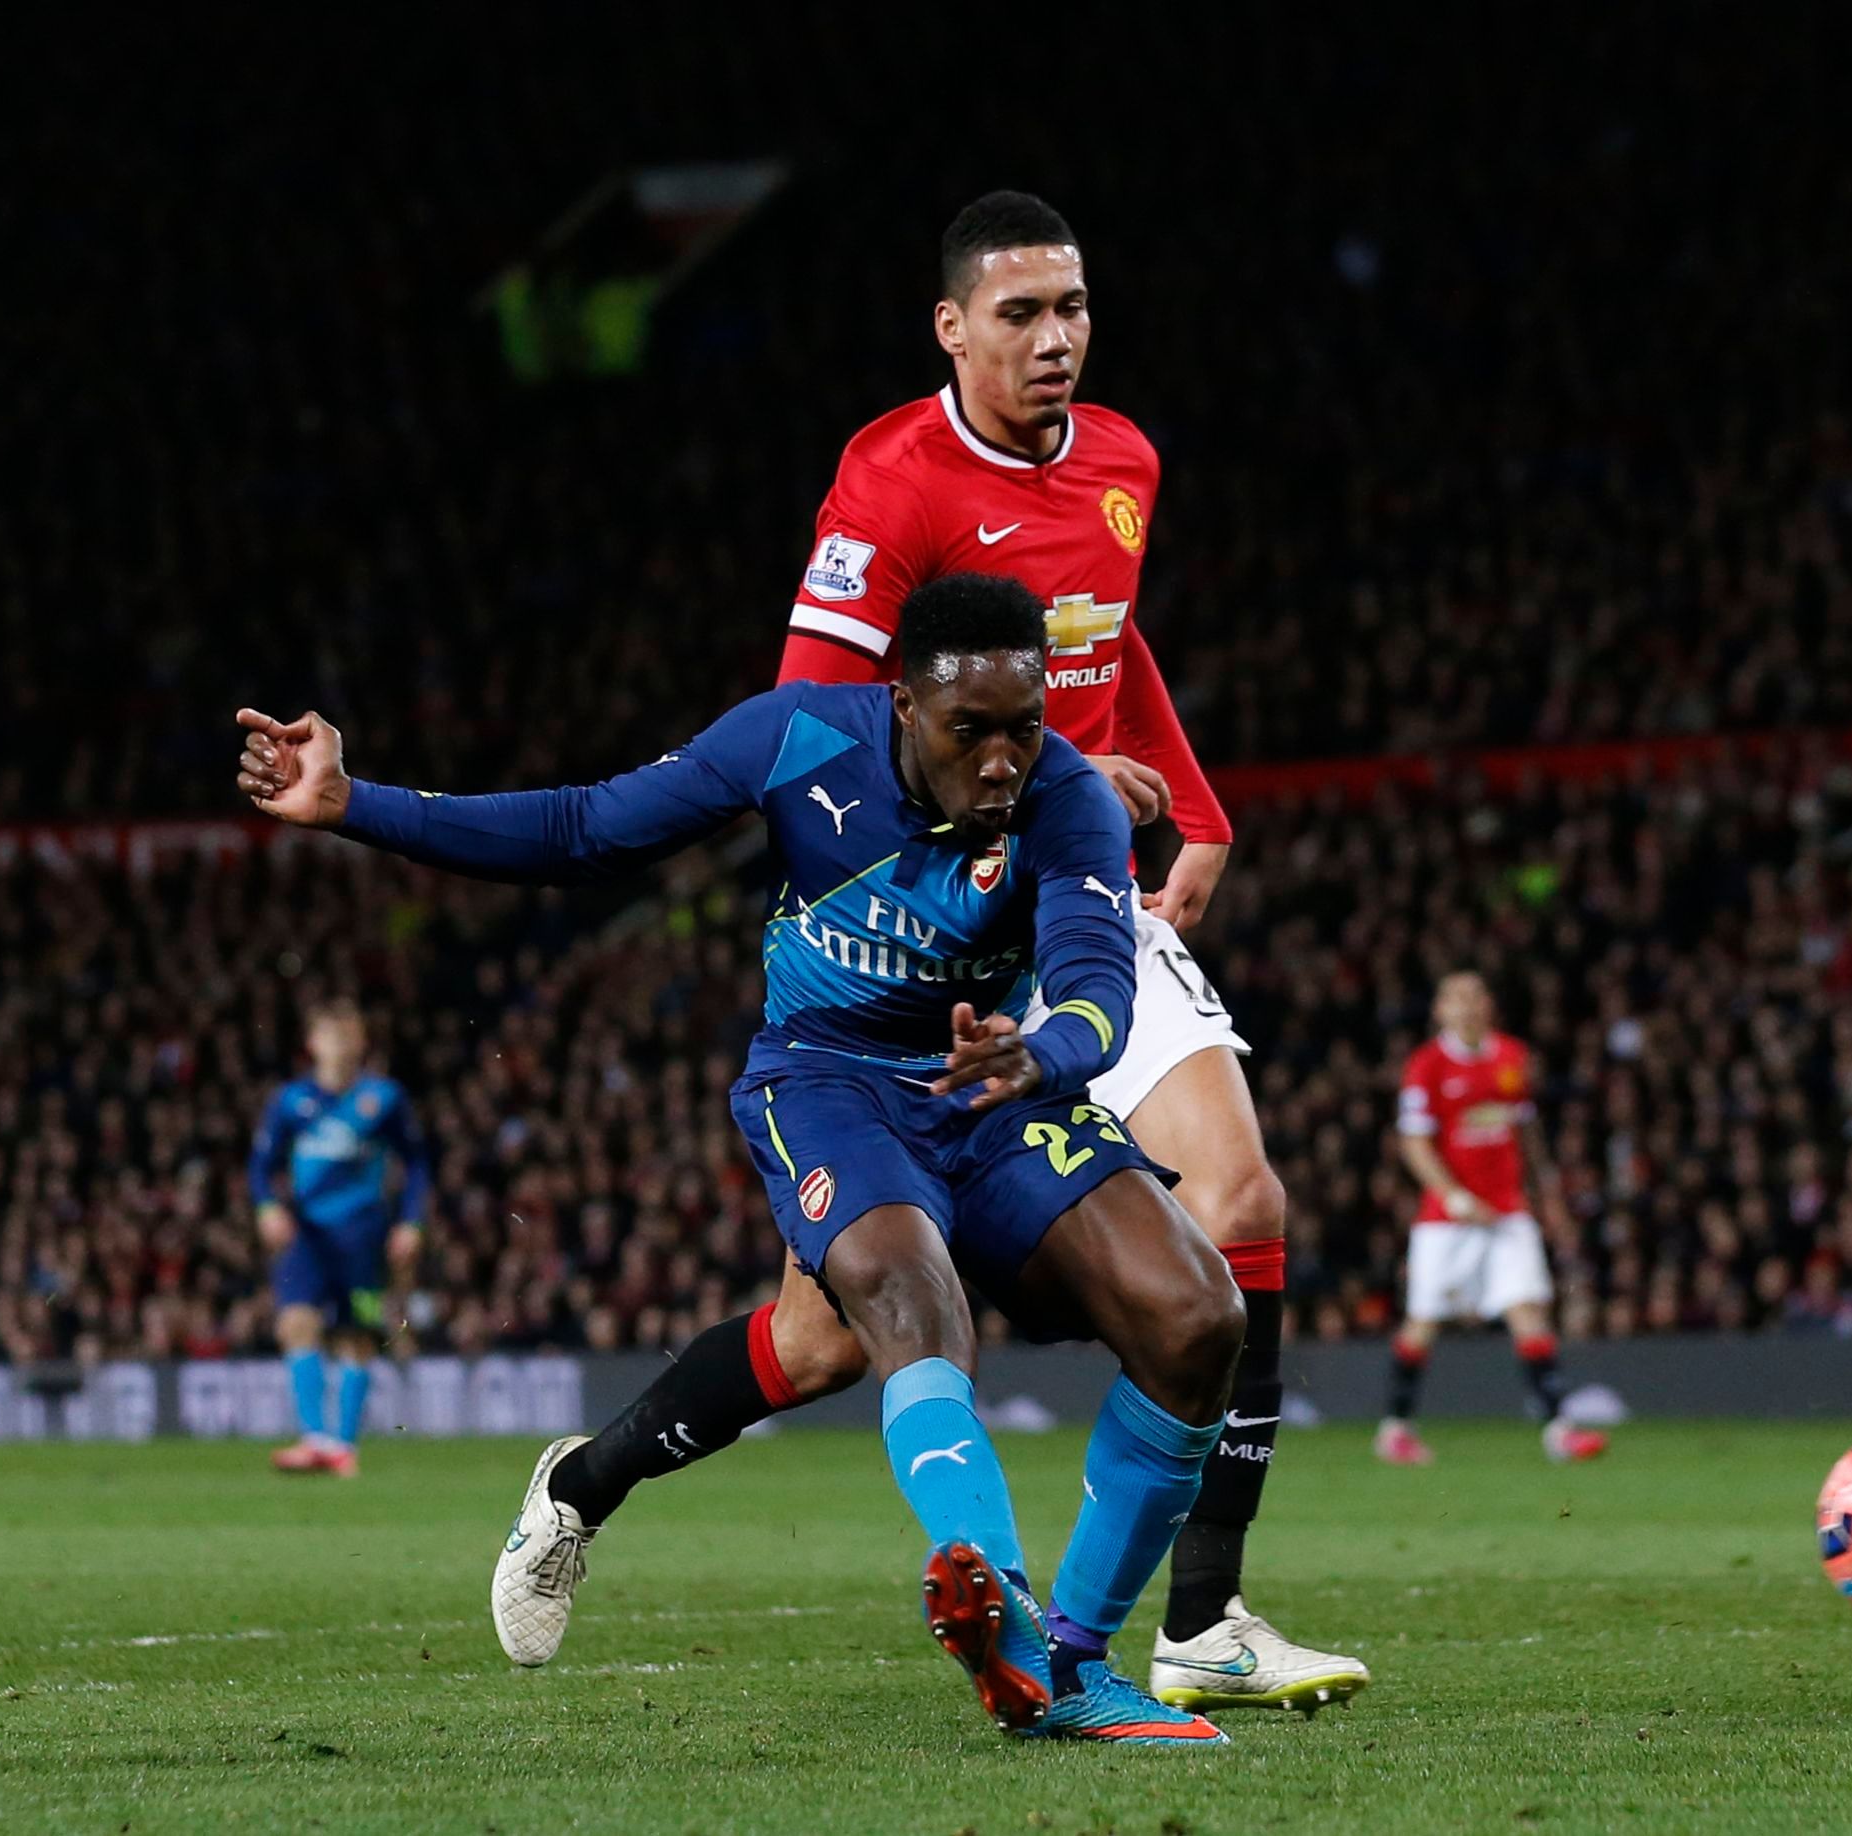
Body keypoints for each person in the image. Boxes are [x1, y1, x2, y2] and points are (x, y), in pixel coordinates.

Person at [583, 188, 1357, 1713]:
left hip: (1076, 897)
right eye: (1021, 314)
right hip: (936, 934)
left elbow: (1108, 634)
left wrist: (1189, 803)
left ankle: (1202, 1617)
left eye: (1073, 308)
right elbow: (814, 726)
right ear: (951, 328)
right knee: (822, 1343)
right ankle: (587, 1479)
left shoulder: (1125, 460)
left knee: (1245, 1199)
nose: (1056, 338)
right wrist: (975, 843)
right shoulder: (890, 482)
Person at [235, 575, 1239, 1745]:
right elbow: (583, 829)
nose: (1002, 761)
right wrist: (352, 801)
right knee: (908, 1293)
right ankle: (1007, 1615)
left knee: (1193, 1317)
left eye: (1024, 727)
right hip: (829, 1080)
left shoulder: (1069, 799)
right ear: (904, 706)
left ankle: (1061, 1657)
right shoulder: (797, 736)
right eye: (971, 731)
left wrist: (1040, 1054)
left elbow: (1099, 990)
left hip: (999, 1079)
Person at [1375, 971, 1607, 1466]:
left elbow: (1527, 1134)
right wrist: (1455, 1198)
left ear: (1489, 1005)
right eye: (1456, 998)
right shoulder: (1427, 1066)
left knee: (1528, 1311)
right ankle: (1395, 1429)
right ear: (1440, 1010)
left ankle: (1559, 1430)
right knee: (1423, 1321)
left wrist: (1549, 1198)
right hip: (1447, 1219)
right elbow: (1414, 1143)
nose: (1467, 1006)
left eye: (1475, 996)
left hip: (1507, 1211)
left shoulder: (1512, 1057)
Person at [247, 1001, 430, 1478]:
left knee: (357, 1336)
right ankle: (315, 1439)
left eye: (348, 1034)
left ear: (362, 1042)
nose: (340, 1044)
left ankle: (343, 1446)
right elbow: (261, 1166)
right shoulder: (291, 1101)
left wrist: (411, 1222)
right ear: (313, 1043)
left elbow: (416, 1163)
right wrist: (268, 1208)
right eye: (331, 1035)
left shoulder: (383, 1098)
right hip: (307, 1233)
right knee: (295, 1322)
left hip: (364, 1234)